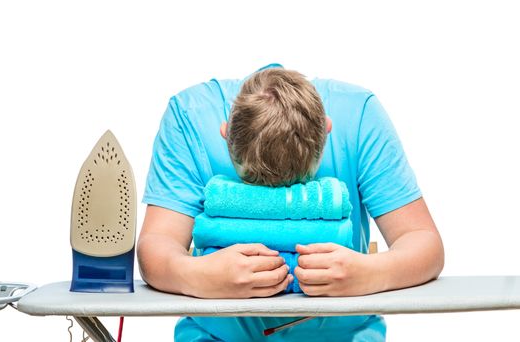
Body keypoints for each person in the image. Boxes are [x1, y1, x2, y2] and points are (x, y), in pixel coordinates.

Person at [137, 63, 444, 341]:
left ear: (325, 130)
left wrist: (370, 273)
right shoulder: (189, 117)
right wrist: (197, 275)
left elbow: (423, 242)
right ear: (226, 133)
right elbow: (157, 244)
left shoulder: (359, 114)